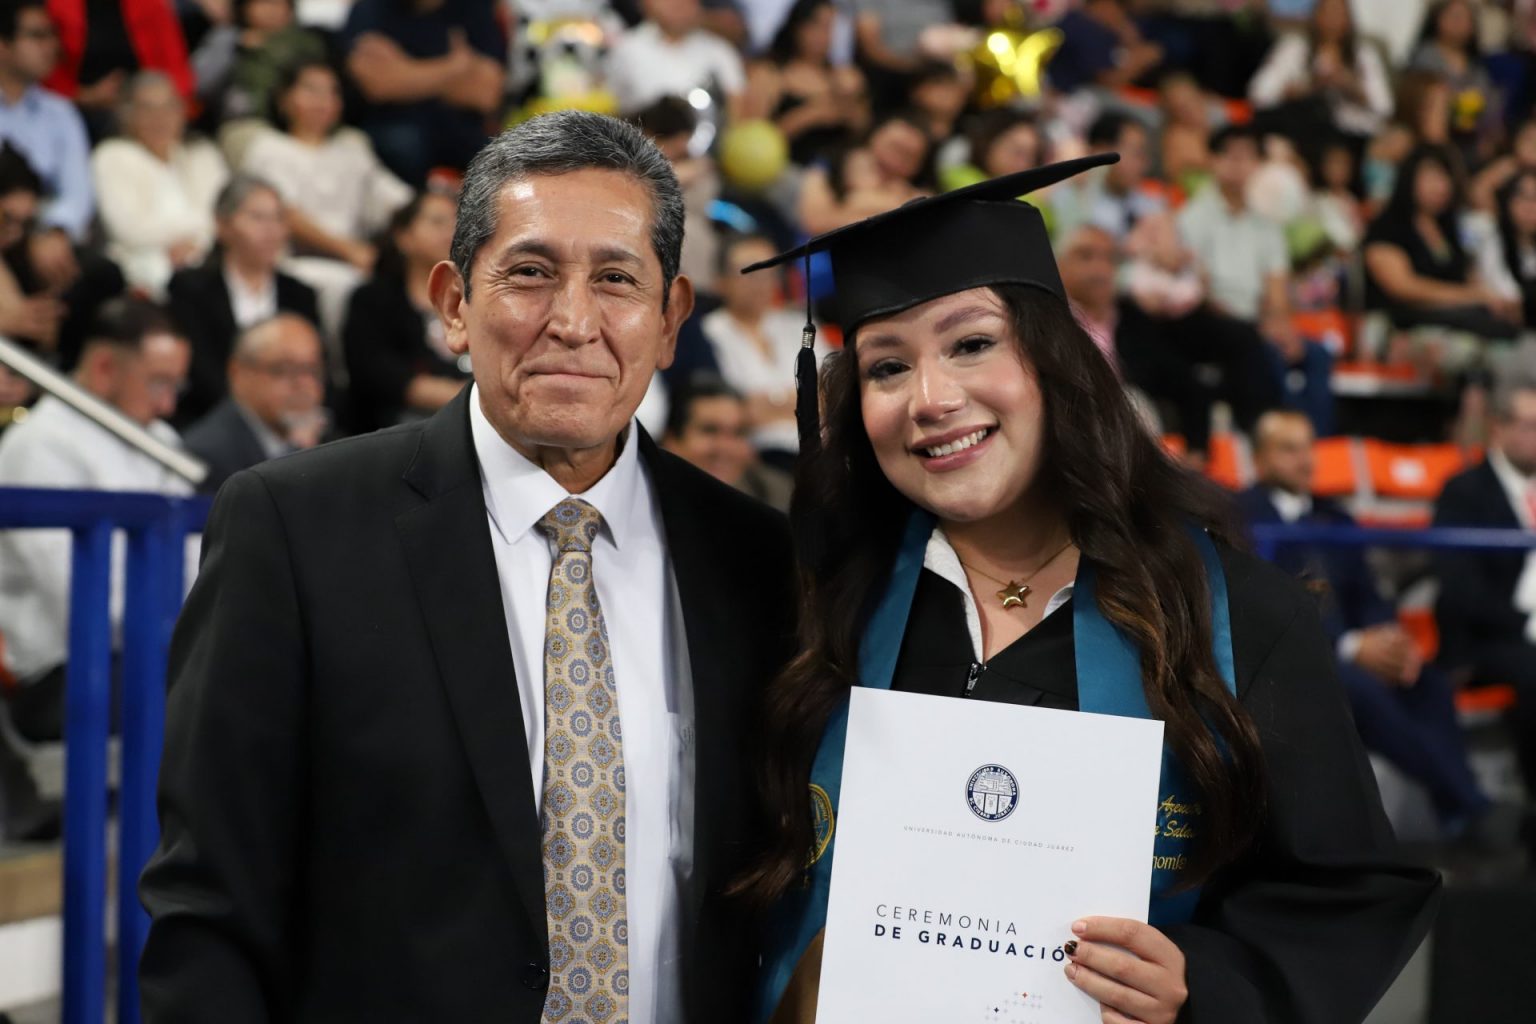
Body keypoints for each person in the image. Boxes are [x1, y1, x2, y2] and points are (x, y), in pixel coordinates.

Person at [737, 156, 1438, 1023]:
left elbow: (1344, 892)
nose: (930, 398)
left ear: (1055, 360)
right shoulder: (820, 607)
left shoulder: (1234, 617)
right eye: (886, 367)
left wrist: (1200, 983)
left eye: (971, 344)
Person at [139, 111, 796, 1021]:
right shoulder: (294, 529)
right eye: (530, 273)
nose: (573, 322)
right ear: (453, 303)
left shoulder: (757, 560)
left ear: (671, 319)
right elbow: (211, 906)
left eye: (616, 280)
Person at [1238, 410, 1514, 850]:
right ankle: (1470, 804)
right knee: (1358, 689)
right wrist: (1350, 645)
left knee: (1429, 684)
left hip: (1357, 651)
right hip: (1293, 663)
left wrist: (1389, 638)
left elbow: (1368, 593)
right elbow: (1262, 606)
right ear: (1259, 458)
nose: (1305, 460)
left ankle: (1459, 813)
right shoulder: (1242, 518)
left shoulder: (1336, 517)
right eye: (1289, 450)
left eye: (1308, 448)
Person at [0, 298, 192, 745]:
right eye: (158, 382)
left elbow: (195, 563)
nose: (167, 404)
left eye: (176, 386)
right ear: (105, 367)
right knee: (209, 692)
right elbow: (81, 600)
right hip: (62, 670)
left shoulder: (161, 439)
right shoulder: (38, 444)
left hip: (154, 651)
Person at [240, 58, 412, 339]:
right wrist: (349, 251)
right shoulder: (269, 148)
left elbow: (397, 201)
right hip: (293, 262)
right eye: (311, 90)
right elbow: (284, 212)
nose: (323, 101)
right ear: (284, 99)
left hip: (356, 264)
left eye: (332, 92)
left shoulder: (352, 150)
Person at [1432, 370, 1536, 802]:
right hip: (1484, 641)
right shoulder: (1463, 491)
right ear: (1498, 428)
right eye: (1529, 425)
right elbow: (1462, 590)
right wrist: (1526, 622)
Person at [166, 175, 320, 424]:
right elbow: (198, 369)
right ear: (223, 225)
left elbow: (315, 366)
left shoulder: (299, 294)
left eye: (278, 218)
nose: (271, 231)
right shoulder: (191, 288)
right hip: (215, 418)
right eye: (258, 218)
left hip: (292, 420)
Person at [91, 70, 229, 297]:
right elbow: (130, 230)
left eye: (169, 107)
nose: (160, 118)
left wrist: (199, 245)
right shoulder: (111, 156)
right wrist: (201, 228)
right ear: (127, 115)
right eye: (147, 109)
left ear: (182, 111)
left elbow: (228, 216)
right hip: (139, 273)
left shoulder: (203, 155)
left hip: (207, 262)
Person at [1363, 142, 1520, 340]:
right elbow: (1402, 287)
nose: (1441, 186)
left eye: (1446, 178)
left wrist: (1491, 298)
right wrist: (1471, 296)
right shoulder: (1387, 226)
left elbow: (1466, 275)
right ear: (1409, 178)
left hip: (1453, 317)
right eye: (1432, 177)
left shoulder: (1449, 227)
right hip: (1402, 322)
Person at [340, 0, 506, 186]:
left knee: (502, 162)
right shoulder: (369, 11)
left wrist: (402, 71)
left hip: (460, 130)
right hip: (392, 127)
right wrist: (455, 66)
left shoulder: (474, 8)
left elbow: (487, 95)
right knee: (402, 144)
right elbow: (378, 86)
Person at [341, 187, 466, 432]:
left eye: (457, 223)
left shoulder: (478, 297)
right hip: (393, 429)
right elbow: (378, 375)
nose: (450, 232)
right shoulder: (373, 299)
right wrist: (476, 398)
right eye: (437, 222)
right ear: (403, 237)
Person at [700, 232, 827, 465]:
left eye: (770, 271)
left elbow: (829, 397)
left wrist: (768, 403)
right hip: (755, 460)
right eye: (750, 272)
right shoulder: (709, 334)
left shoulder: (800, 325)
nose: (761, 282)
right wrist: (798, 400)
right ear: (721, 280)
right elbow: (735, 413)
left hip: (821, 452)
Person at [182, 313, 327, 493]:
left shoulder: (329, 443)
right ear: (237, 373)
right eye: (284, 369)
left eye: (313, 370)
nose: (304, 384)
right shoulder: (208, 455)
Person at [0, 0, 94, 242]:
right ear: (3, 45)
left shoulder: (61, 112)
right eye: (37, 35)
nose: (51, 46)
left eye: (52, 35)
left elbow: (77, 195)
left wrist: (53, 230)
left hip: (45, 235)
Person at [41, 0, 195, 136]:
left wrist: (158, 104)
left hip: (144, 106)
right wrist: (87, 96)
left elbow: (177, 69)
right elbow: (46, 73)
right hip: (79, 108)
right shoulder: (59, 7)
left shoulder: (150, 5)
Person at [1248, 0, 1393, 142]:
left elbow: (1385, 108)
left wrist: (1350, 86)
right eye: (1327, 13)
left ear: (1349, 20)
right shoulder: (1293, 48)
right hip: (1300, 129)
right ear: (1314, 16)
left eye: (1339, 14)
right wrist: (1306, 88)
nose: (1332, 20)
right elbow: (1259, 95)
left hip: (1352, 133)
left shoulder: (1364, 55)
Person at [746, 0, 867, 168]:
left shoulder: (842, 76)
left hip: (837, 168)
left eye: (829, 27)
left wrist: (851, 104)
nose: (823, 35)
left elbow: (864, 133)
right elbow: (750, 141)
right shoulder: (771, 73)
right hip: (784, 166)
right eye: (816, 25)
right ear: (798, 25)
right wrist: (810, 115)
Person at [661, 376, 793, 512]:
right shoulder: (651, 499)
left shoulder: (779, 495)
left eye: (739, 432)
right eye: (710, 430)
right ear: (671, 440)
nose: (726, 448)